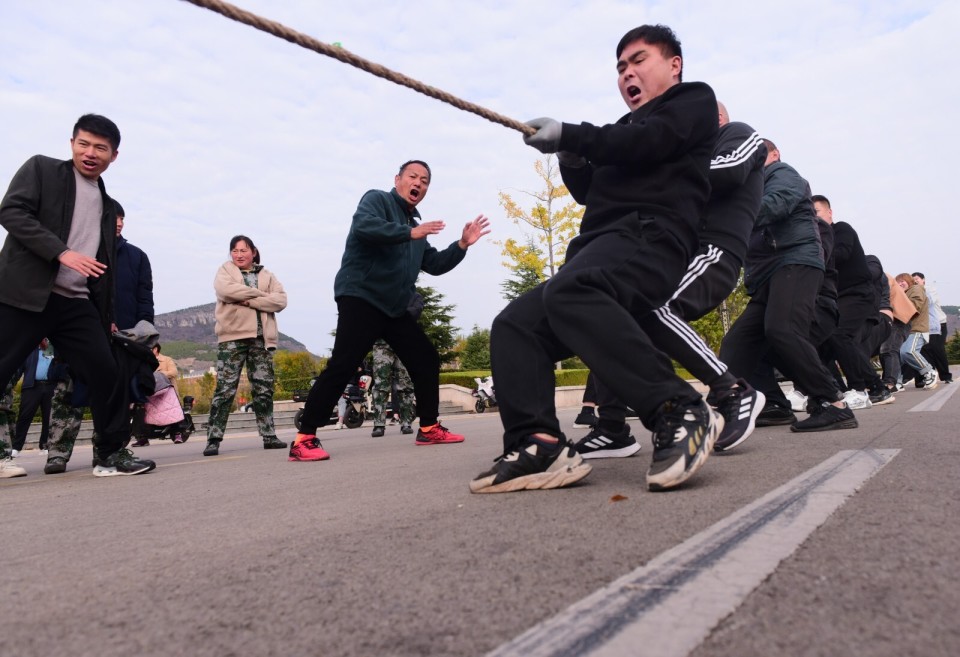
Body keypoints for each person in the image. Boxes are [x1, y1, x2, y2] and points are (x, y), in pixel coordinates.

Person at [470, 24, 722, 494]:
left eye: (639, 60)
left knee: (574, 288)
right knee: (516, 325)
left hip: (651, 236)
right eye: (621, 67)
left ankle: (679, 409)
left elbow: (650, 142)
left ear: (674, 65)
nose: (627, 72)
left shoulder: (692, 103)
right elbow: (592, 191)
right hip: (602, 246)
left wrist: (576, 134)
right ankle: (539, 444)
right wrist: (571, 156)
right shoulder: (623, 131)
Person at [574, 100, 768, 459]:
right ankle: (612, 427)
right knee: (613, 313)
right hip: (673, 252)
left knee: (653, 306)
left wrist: (658, 163)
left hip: (714, 251)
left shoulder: (739, 133)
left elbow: (728, 170)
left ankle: (733, 390)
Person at [289, 160, 489, 461]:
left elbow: (433, 265)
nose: (418, 183)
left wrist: (461, 245)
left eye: (424, 180)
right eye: (413, 177)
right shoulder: (377, 200)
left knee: (425, 359)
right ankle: (304, 438)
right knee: (344, 364)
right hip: (362, 296)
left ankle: (429, 427)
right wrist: (409, 234)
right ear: (398, 179)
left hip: (394, 308)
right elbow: (365, 227)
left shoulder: (415, 228)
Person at [0, 114, 154, 476]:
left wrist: (106, 315)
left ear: (113, 156)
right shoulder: (41, 170)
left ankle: (110, 454)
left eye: (100, 148)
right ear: (72, 144)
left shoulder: (106, 203)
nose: (90, 152)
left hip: (74, 302)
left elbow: (104, 267)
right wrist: (60, 252)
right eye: (84, 143)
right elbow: (11, 211)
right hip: (24, 294)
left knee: (106, 370)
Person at [719, 140, 857, 433]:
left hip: (795, 260)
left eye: (755, 156)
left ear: (773, 154)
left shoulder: (782, 173)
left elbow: (777, 203)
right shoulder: (749, 188)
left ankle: (834, 404)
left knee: (782, 329)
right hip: (767, 276)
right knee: (738, 341)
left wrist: (733, 216)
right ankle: (733, 405)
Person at [202, 235, 288, 456]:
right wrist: (263, 297)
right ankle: (213, 438)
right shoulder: (225, 271)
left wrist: (250, 300)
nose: (239, 255)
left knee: (264, 388)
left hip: (261, 339)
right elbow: (225, 291)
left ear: (254, 252)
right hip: (232, 338)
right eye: (235, 250)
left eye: (243, 250)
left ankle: (269, 435)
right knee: (225, 389)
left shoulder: (268, 275)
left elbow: (280, 301)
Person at [812, 195, 893, 408]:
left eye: (817, 213)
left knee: (840, 335)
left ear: (829, 213)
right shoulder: (815, 242)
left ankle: (862, 388)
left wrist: (812, 254)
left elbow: (842, 253)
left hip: (858, 294)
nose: (813, 219)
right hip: (835, 299)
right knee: (821, 342)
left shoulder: (841, 230)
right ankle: (841, 390)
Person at [113, 200, 154, 330]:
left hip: (128, 337)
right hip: (93, 334)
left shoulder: (139, 256)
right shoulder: (87, 252)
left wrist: (146, 330)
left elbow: (145, 298)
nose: (120, 224)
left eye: (122, 219)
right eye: (115, 218)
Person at [11, 339, 56, 455]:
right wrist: (12, 384)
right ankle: (16, 447)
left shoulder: (53, 348)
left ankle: (45, 445)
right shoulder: (30, 348)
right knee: (24, 416)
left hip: (51, 386)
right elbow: (19, 367)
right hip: (32, 386)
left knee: (49, 417)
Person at [895, 273, 938, 389]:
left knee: (908, 351)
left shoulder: (916, 289)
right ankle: (896, 382)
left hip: (917, 329)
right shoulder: (903, 293)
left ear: (909, 281)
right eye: (897, 282)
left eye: (902, 281)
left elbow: (914, 307)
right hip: (906, 331)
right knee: (895, 355)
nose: (900, 284)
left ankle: (929, 371)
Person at [369, 339, 416, 436]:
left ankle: (406, 422)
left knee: (406, 385)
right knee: (380, 385)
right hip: (382, 343)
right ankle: (379, 424)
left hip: (404, 341)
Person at [913, 272, 952, 383]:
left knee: (938, 350)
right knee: (922, 351)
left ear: (923, 280)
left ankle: (946, 377)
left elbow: (928, 302)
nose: (915, 281)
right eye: (913, 280)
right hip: (923, 326)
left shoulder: (930, 290)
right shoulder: (912, 292)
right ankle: (927, 377)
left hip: (938, 324)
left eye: (917, 279)